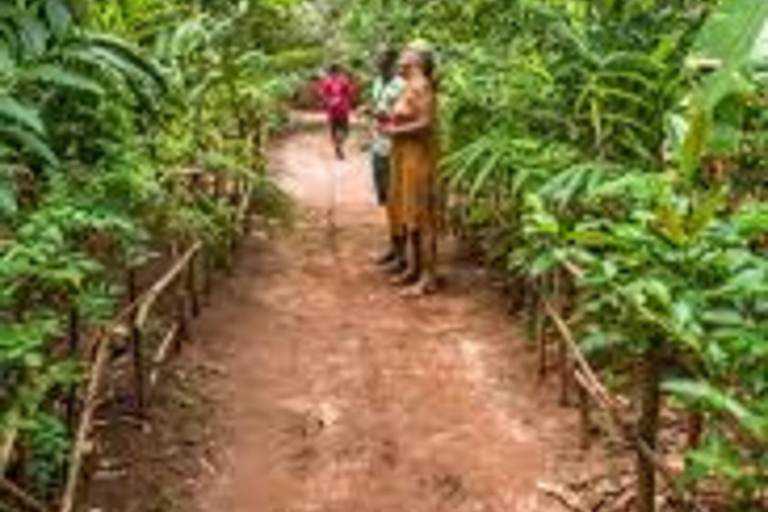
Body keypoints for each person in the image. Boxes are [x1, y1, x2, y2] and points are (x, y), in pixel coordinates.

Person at [384, 45, 440, 295]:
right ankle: (415, 269)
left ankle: (429, 278)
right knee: (410, 216)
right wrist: (382, 119)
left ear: (416, 61)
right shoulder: (409, 85)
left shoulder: (422, 85)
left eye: (404, 55)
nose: (400, 59)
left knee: (422, 217)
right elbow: (405, 117)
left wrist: (394, 131)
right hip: (404, 157)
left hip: (418, 160)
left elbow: (427, 123)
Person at [368, 48, 406, 267]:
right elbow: (379, 109)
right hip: (378, 147)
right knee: (387, 202)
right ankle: (394, 248)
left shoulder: (401, 85)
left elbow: (405, 115)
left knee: (397, 201)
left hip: (395, 148)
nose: (377, 60)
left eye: (382, 57)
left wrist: (383, 117)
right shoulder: (377, 83)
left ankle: (402, 255)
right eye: (377, 56)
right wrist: (372, 112)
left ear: (391, 61)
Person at [317, 63, 354, 160]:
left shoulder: (328, 81)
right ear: (338, 71)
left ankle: (338, 146)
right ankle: (339, 146)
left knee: (337, 130)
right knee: (344, 130)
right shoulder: (342, 80)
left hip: (335, 110)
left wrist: (328, 101)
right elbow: (349, 93)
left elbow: (322, 94)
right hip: (341, 110)